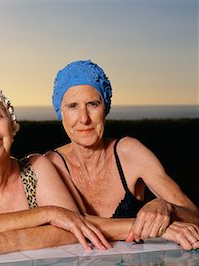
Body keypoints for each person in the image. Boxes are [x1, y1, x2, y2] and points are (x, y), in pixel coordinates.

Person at [0, 79, 112, 259]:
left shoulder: (36, 166)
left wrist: (5, 242)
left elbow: (73, 229)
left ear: (11, 124)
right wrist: (48, 213)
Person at [45, 60, 199, 250]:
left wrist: (167, 207)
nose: (84, 118)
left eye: (93, 104)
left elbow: (195, 215)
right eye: (73, 106)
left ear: (105, 108)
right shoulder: (50, 165)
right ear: (60, 112)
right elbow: (69, 227)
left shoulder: (130, 153)